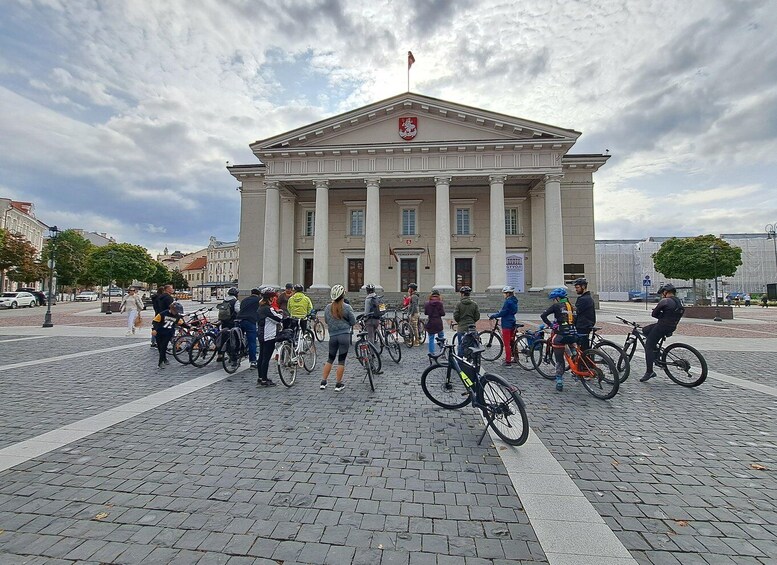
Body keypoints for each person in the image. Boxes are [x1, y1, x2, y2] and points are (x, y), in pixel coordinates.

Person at [640, 283, 685, 382]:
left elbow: (654, 314)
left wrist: (660, 314)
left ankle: (649, 371)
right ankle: (656, 352)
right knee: (645, 330)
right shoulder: (678, 301)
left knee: (648, 346)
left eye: (662, 293)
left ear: (666, 292)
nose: (662, 295)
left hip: (661, 327)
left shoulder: (665, 301)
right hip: (671, 327)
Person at [320, 285, 357, 392]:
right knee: (341, 361)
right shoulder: (347, 307)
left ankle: (323, 381)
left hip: (332, 336)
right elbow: (353, 321)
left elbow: (326, 321)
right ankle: (338, 384)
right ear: (343, 295)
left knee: (330, 358)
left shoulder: (328, 308)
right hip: (344, 336)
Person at [540, 287, 577, 392]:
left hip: (560, 335)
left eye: (553, 299)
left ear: (557, 298)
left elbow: (543, 315)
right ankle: (575, 362)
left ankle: (559, 381)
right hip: (573, 334)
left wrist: (551, 325)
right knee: (573, 348)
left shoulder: (556, 305)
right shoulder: (572, 306)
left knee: (559, 360)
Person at [256, 287, 282, 387]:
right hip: (269, 335)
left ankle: (260, 377)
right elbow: (277, 319)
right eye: (273, 298)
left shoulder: (260, 308)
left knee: (261, 357)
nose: (274, 299)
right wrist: (280, 314)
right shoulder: (268, 309)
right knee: (265, 358)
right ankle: (264, 379)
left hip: (261, 335)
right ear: (270, 298)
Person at [151, 301, 187, 369]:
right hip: (159, 332)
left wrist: (190, 327)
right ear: (172, 309)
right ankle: (164, 358)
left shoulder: (177, 316)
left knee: (163, 347)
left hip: (168, 333)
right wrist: (154, 329)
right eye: (176, 311)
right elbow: (155, 322)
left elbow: (182, 324)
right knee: (160, 347)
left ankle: (160, 362)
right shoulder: (163, 314)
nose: (176, 313)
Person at [489, 286, 518, 365]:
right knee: (512, 341)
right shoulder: (514, 301)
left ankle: (508, 360)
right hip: (512, 321)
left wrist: (495, 315)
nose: (504, 295)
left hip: (506, 323)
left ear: (508, 294)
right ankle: (516, 357)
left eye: (504, 293)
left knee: (507, 343)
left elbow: (503, 313)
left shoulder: (508, 301)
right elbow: (511, 311)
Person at [236, 287, 261, 368]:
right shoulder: (259, 300)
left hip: (239, 320)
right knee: (252, 342)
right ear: (259, 294)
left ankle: (234, 358)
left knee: (237, 340)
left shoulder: (244, 300)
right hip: (250, 321)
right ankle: (253, 361)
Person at [453, 286, 480, 356]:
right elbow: (477, 316)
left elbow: (456, 316)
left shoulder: (459, 304)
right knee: (472, 345)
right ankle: (471, 360)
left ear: (462, 294)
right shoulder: (474, 304)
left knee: (461, 345)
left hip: (462, 328)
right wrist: (472, 321)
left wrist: (459, 322)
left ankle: (460, 362)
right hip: (472, 328)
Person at [573, 278, 596, 352]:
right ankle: (585, 361)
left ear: (583, 287)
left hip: (582, 325)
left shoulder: (583, 299)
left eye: (577, 287)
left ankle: (584, 362)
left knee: (583, 347)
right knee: (584, 346)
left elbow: (577, 311)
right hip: (587, 324)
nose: (576, 289)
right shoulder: (588, 297)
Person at [424, 289, 446, 357]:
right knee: (441, 337)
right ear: (438, 295)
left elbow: (426, 313)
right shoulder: (440, 303)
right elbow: (442, 313)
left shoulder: (427, 303)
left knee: (431, 338)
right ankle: (442, 352)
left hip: (431, 321)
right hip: (438, 322)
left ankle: (432, 353)